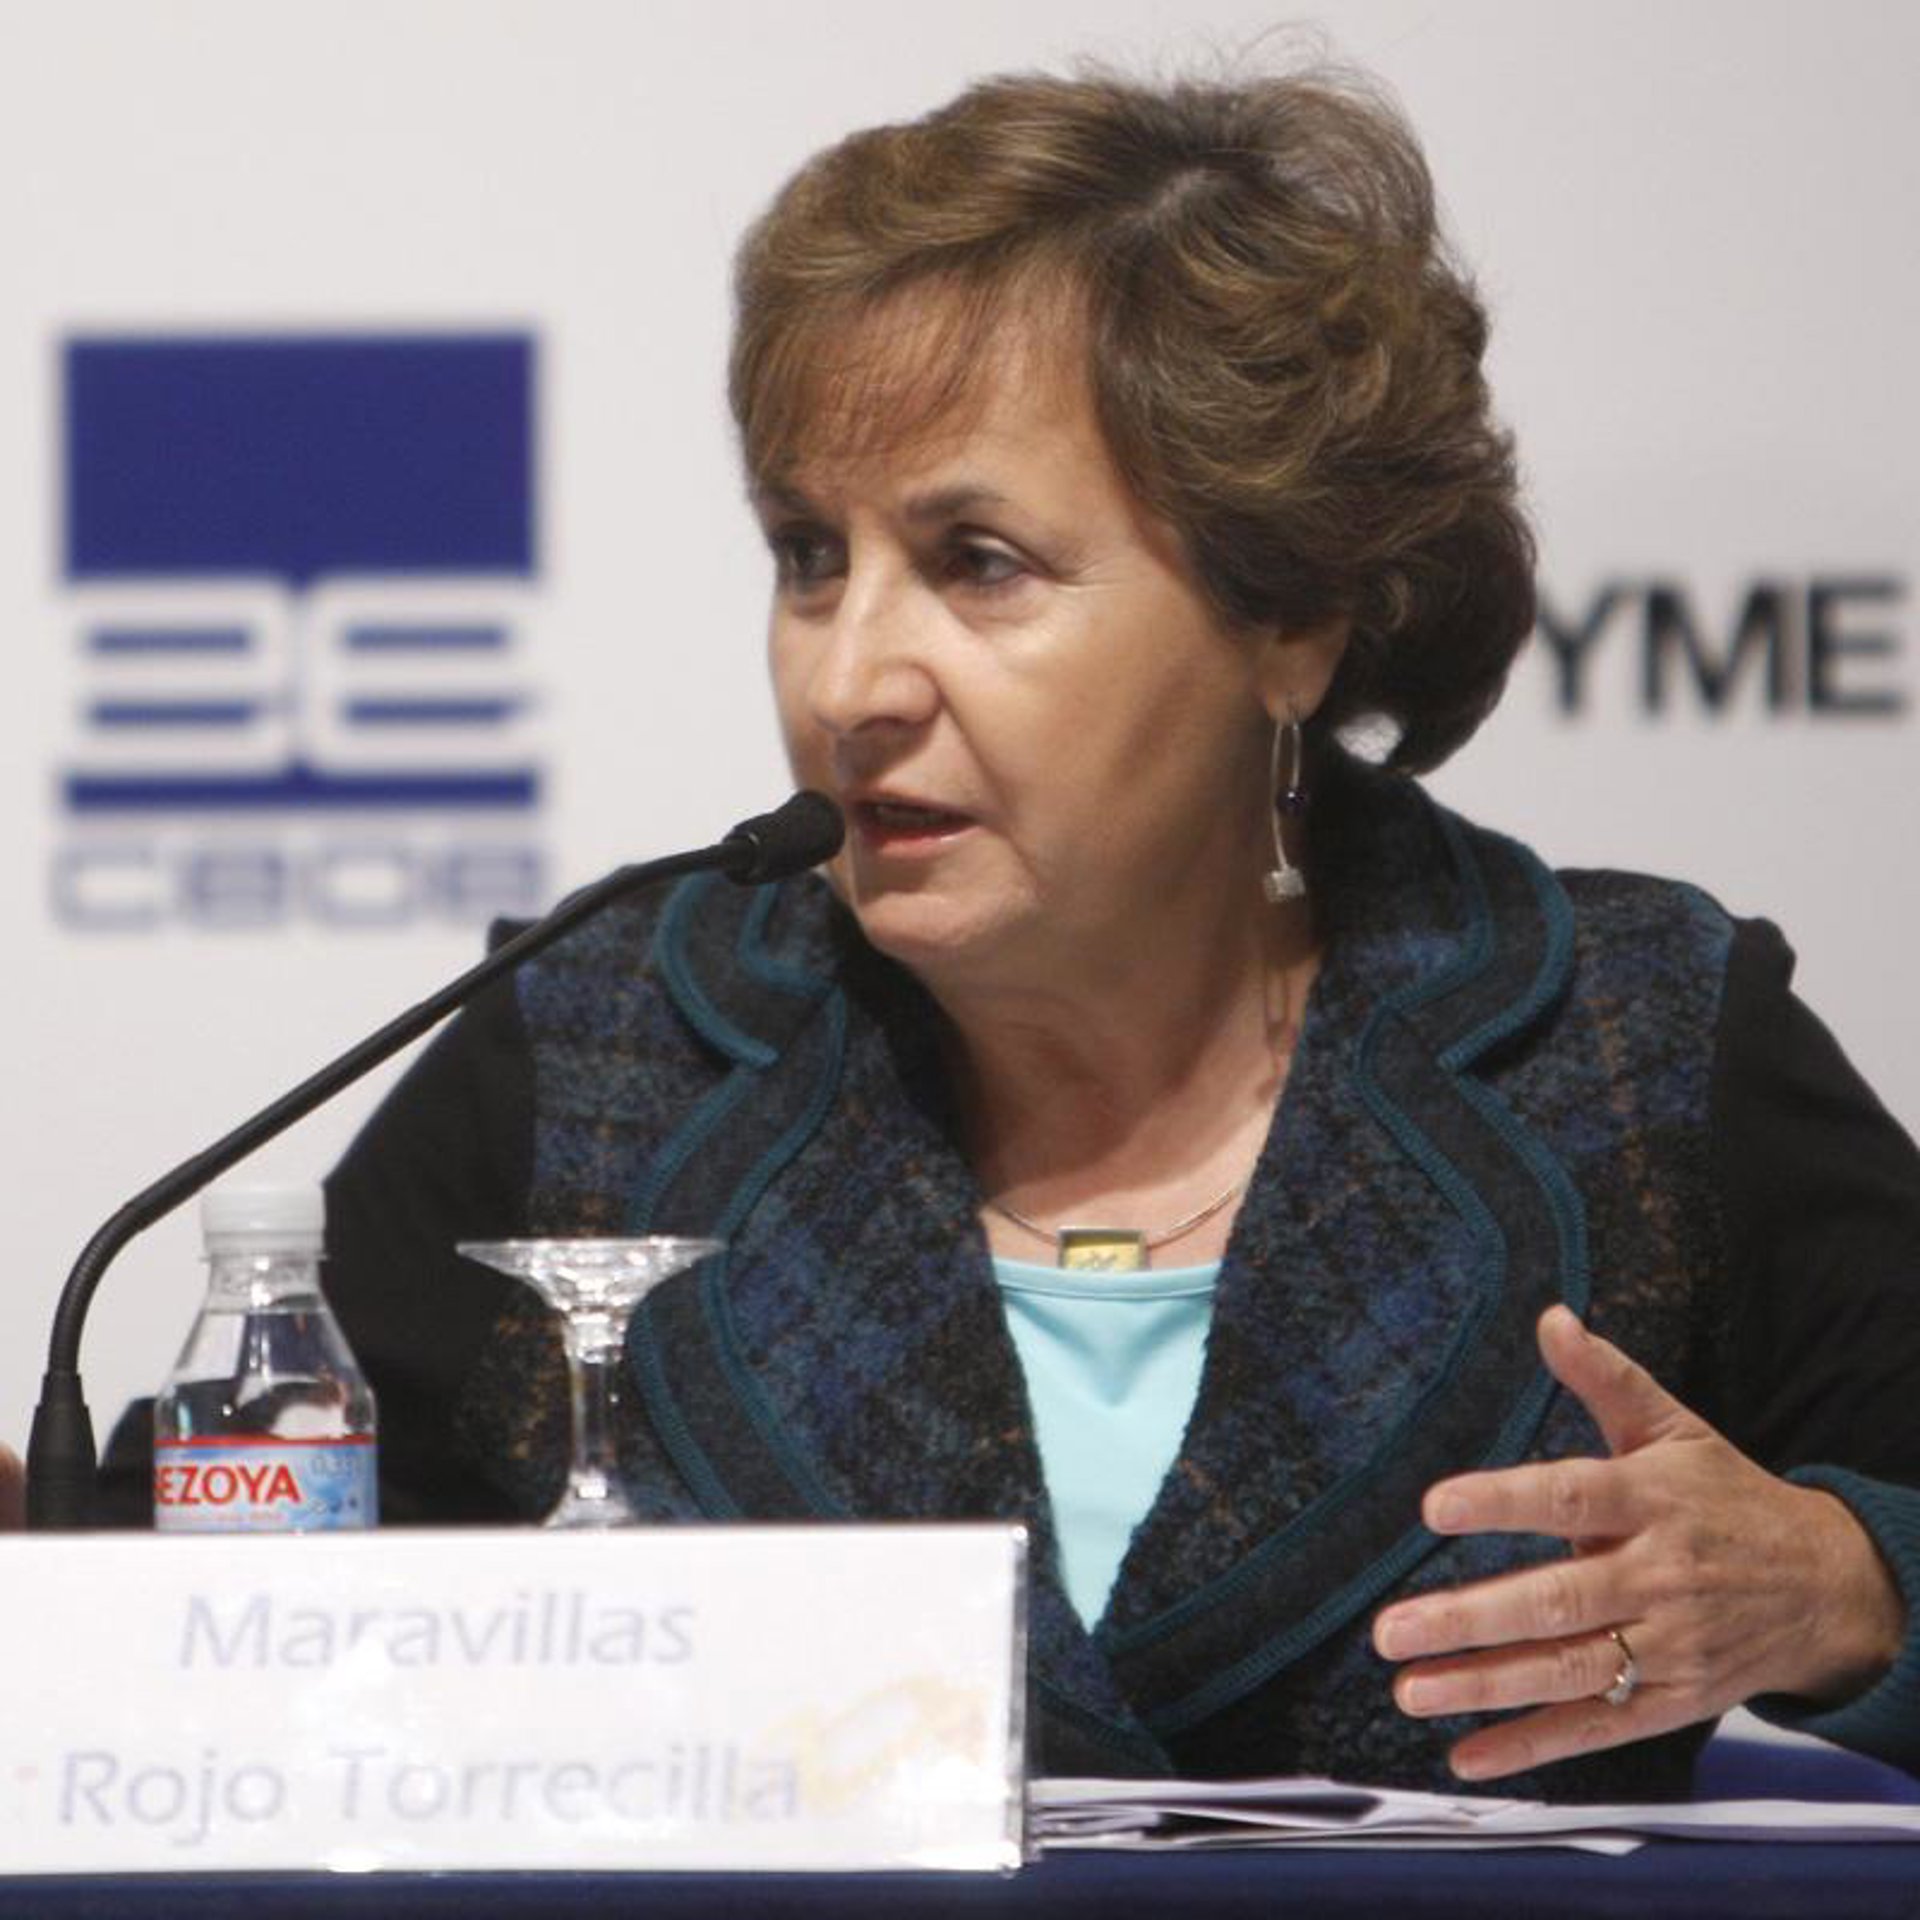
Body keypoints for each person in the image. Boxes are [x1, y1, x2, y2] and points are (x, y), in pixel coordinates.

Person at [322, 66, 1920, 1799]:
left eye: (979, 561)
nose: (848, 681)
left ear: (1289, 614)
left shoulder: (1635, 1045)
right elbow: (222, 1613)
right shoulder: (596, 1052)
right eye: (808, 555)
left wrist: (1847, 1590)